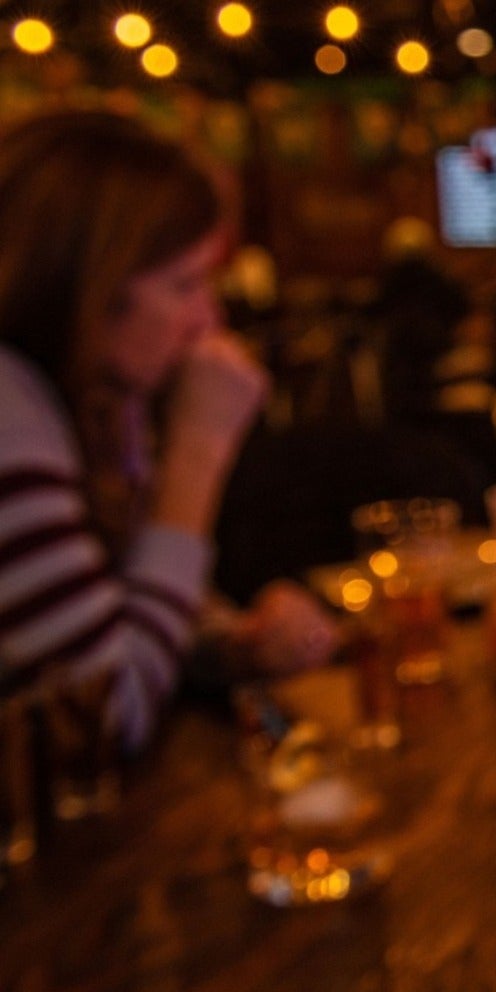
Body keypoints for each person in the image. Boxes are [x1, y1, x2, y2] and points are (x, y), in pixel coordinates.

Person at [0, 110, 336, 750]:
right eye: (184, 285)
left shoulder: (87, 401)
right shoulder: (7, 408)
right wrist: (197, 453)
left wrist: (231, 643)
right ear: (86, 286)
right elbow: (104, 712)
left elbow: (115, 619)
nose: (206, 316)